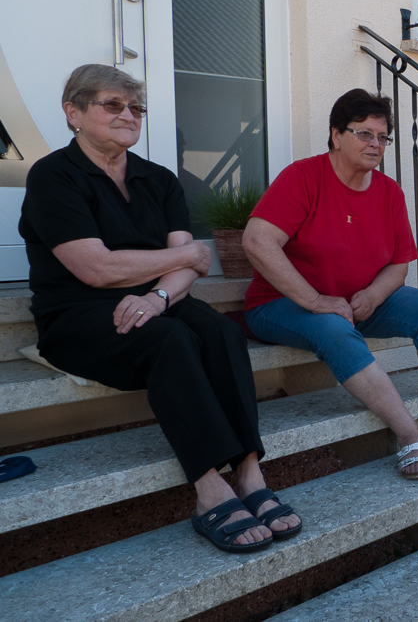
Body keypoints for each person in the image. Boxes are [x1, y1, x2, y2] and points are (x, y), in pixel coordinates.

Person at [19, 64, 301, 553]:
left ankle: (250, 473)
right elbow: (97, 269)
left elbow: (191, 269)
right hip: (77, 313)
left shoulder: (159, 179)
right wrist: (184, 258)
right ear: (74, 113)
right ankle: (208, 487)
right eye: (112, 104)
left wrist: (158, 296)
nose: (128, 115)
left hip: (157, 298)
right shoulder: (53, 177)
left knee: (221, 333)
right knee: (170, 338)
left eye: (135, 107)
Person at [242, 88, 418, 480]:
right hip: (280, 306)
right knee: (332, 327)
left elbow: (399, 263)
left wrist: (373, 295)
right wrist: (314, 300)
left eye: (383, 137)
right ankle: (408, 433)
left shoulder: (388, 191)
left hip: (354, 305)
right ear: (336, 135)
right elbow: (257, 241)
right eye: (365, 133)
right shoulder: (303, 177)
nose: (376, 144)